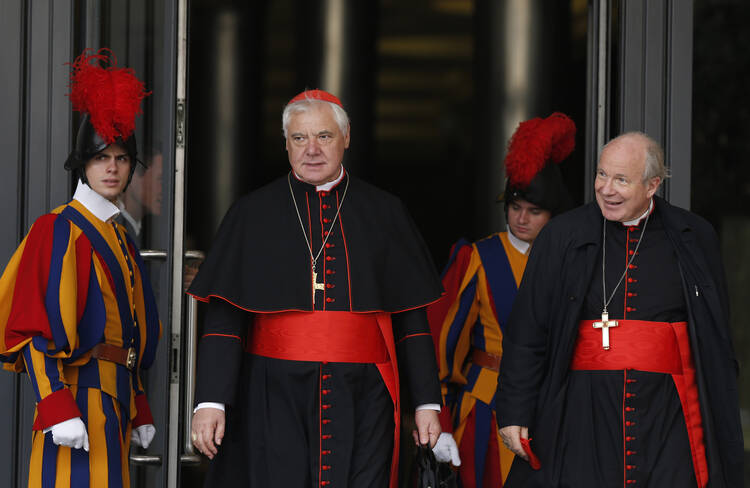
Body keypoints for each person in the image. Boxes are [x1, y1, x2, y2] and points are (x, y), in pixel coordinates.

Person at [187, 89, 446, 487]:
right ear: (285, 144)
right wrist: (209, 401)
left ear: (346, 139)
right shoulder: (252, 212)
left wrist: (428, 403)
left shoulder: (385, 212)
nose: (311, 149)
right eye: (299, 138)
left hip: (365, 393)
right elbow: (225, 319)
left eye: (323, 136)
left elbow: (412, 318)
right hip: (273, 392)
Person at [497, 132, 743, 487]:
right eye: (601, 175)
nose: (606, 189)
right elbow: (528, 331)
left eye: (621, 180)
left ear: (652, 185)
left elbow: (715, 334)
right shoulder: (562, 235)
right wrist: (515, 409)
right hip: (582, 410)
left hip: (669, 413)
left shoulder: (694, 235)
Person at [0, 49, 161, 487]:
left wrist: (139, 404)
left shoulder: (122, 236)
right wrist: (54, 406)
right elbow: (33, 328)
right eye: (101, 157)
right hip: (75, 398)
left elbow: (121, 330)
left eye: (122, 158)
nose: (112, 167)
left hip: (116, 398)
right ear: (83, 164)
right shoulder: (57, 228)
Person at [426, 113, 575, 487]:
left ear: (553, 214)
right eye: (515, 207)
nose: (522, 218)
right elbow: (445, 340)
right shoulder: (479, 257)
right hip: (486, 401)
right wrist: (441, 415)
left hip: (553, 403)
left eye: (534, 211)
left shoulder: (571, 261)